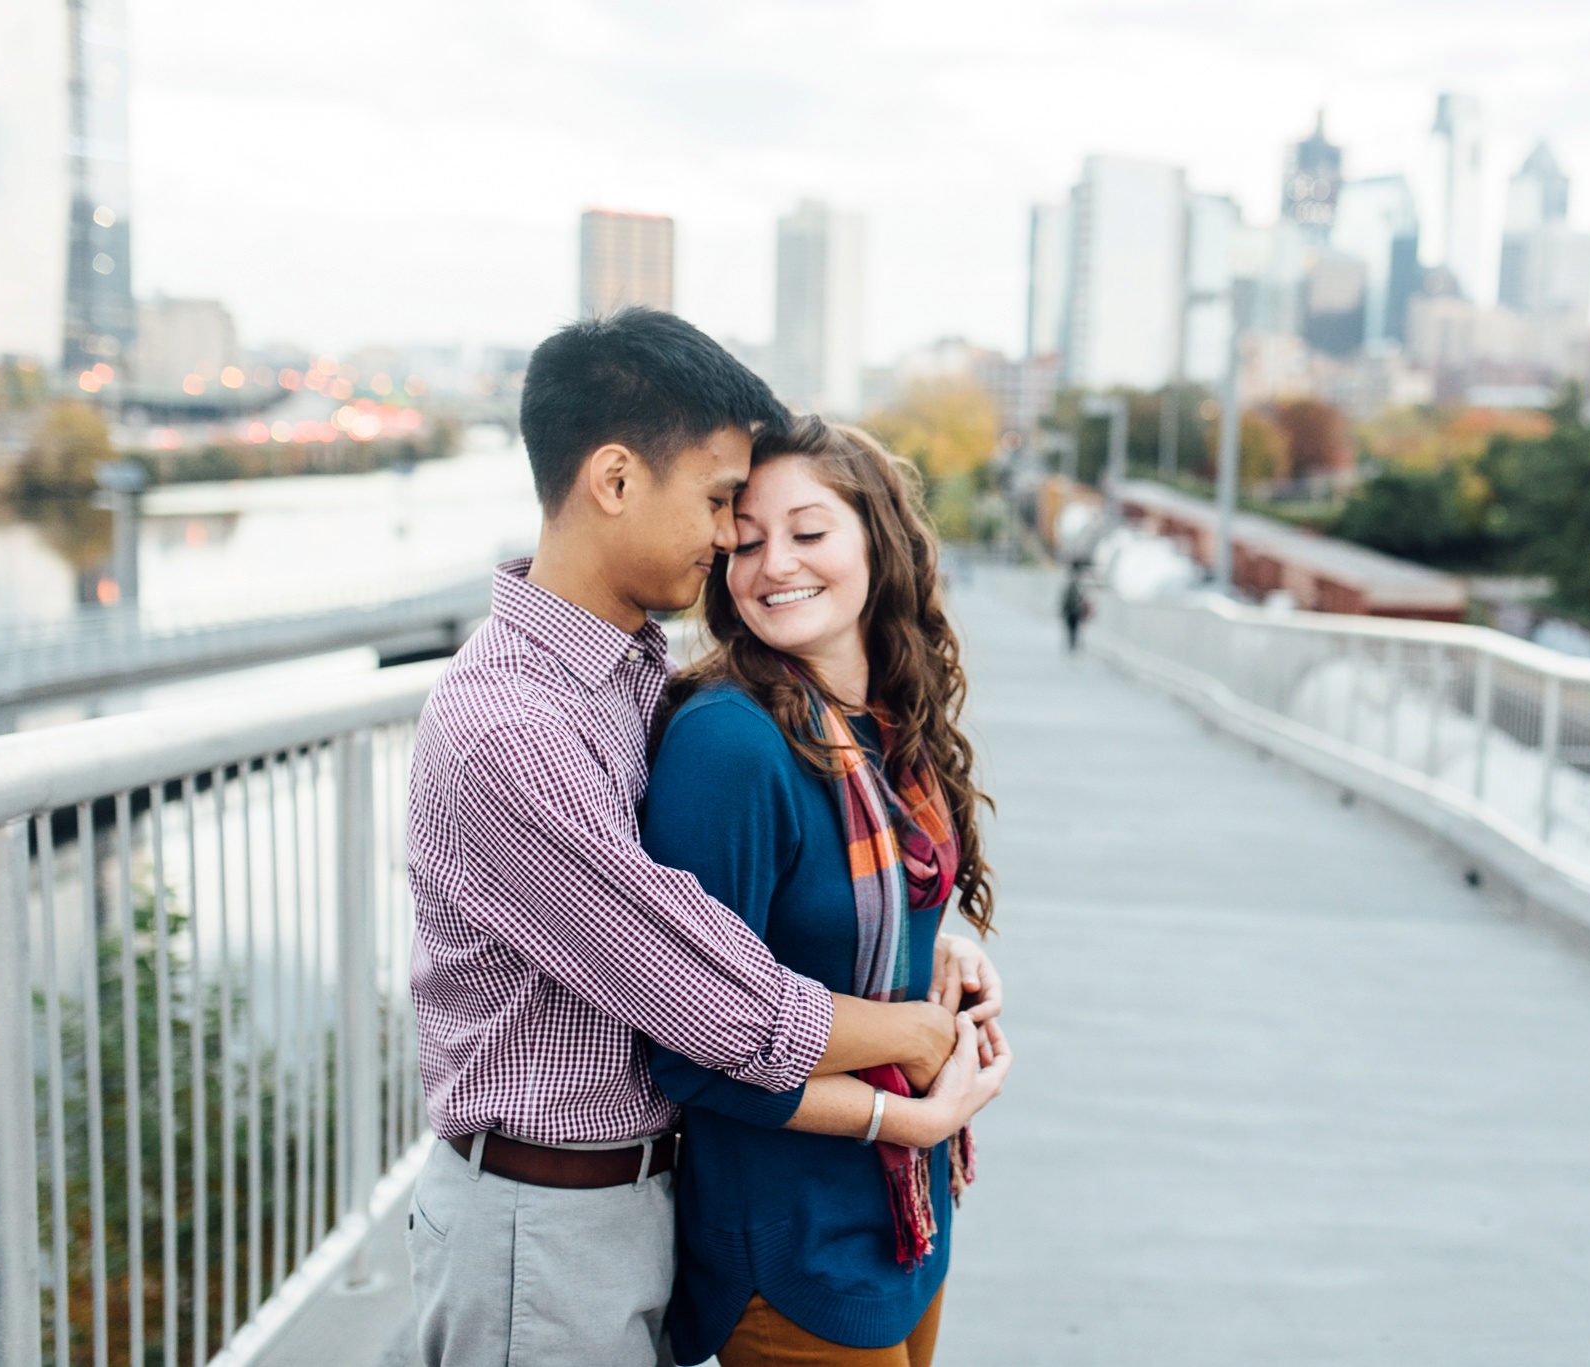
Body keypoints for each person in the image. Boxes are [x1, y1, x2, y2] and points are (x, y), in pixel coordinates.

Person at [403, 309, 1000, 1367]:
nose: (734, 537)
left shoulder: (622, 675)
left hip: (628, 1198)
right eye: (723, 501)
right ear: (616, 480)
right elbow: (717, 1003)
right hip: (538, 1225)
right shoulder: (509, 730)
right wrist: (915, 1036)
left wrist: (923, 942)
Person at [642, 416, 1012, 1367]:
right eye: (746, 540)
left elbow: (865, 909)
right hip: (794, 1244)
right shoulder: (730, 744)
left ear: (875, 542)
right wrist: (907, 1103)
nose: (774, 565)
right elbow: (691, 1044)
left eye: (808, 533)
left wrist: (942, 950)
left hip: (904, 1220)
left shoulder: (882, 720)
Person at [1060, 569, 1091, 652]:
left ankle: (1072, 644)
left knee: (1072, 629)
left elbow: (1065, 600)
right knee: (1073, 629)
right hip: (1074, 612)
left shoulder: (1071, 588)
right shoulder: (1077, 589)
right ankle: (1073, 644)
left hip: (1072, 612)